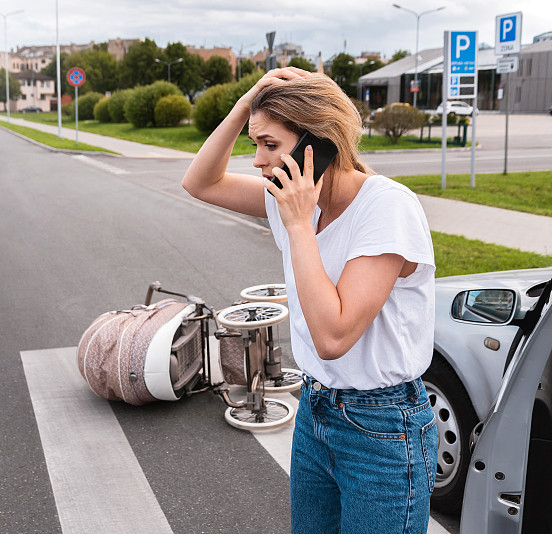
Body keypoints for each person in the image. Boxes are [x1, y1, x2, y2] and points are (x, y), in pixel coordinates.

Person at [182, 68, 438, 534]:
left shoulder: (386, 208)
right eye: (255, 143)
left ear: (315, 147)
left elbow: (333, 336)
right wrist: (246, 105)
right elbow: (199, 183)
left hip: (381, 429)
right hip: (316, 410)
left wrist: (301, 226)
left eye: (271, 146)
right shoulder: (291, 201)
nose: (258, 161)